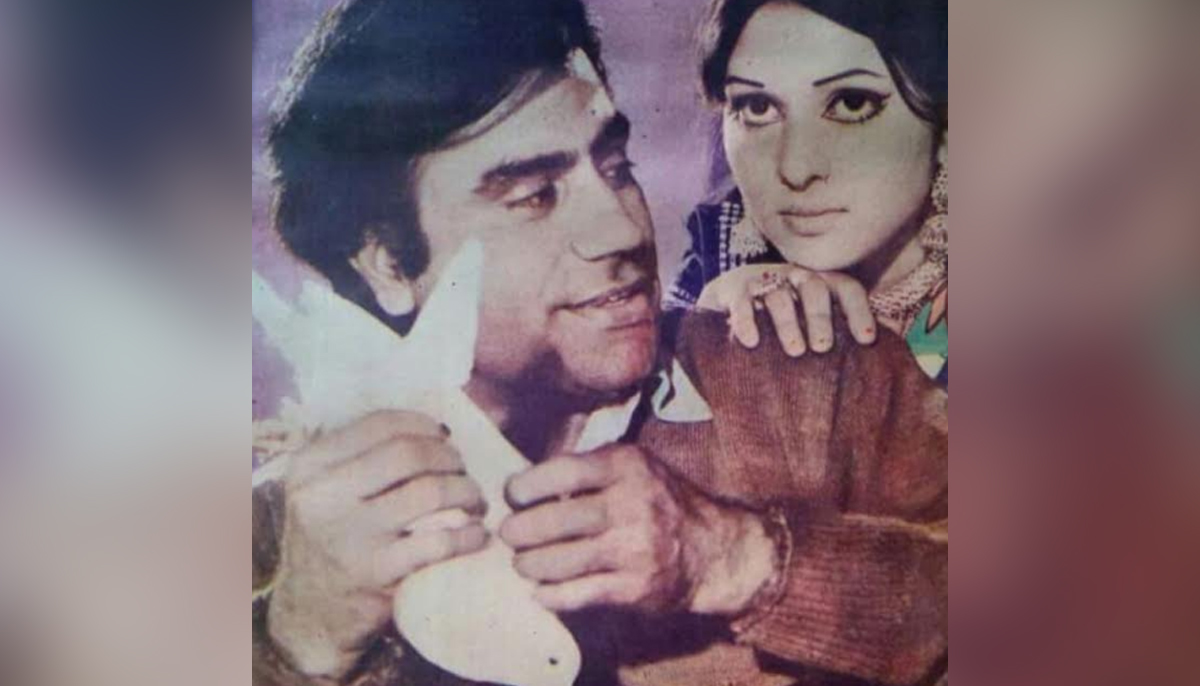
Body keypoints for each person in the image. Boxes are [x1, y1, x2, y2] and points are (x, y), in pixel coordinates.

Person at [252, 0, 947, 684]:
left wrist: (737, 559)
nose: (621, 229)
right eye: (534, 196)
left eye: (616, 168)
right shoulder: (294, 523)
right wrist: (299, 644)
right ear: (386, 264)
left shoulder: (813, 375)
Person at [668, 0, 948, 385]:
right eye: (757, 107)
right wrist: (702, 341)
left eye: (851, 104)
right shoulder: (717, 258)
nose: (796, 169)